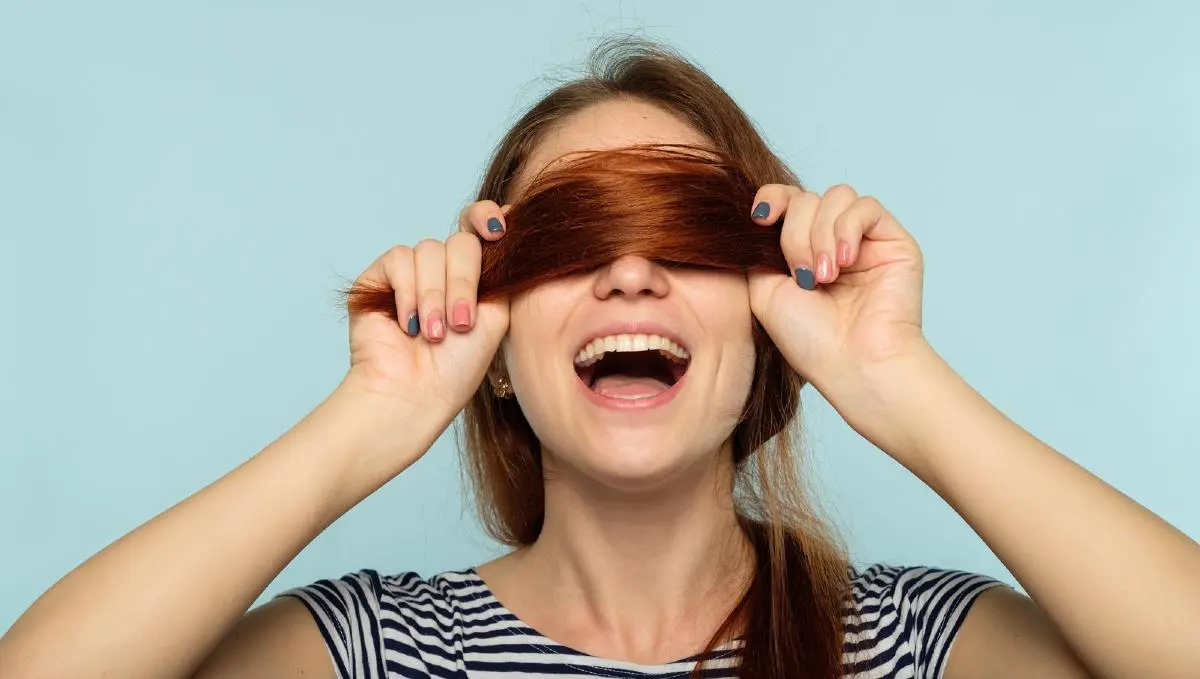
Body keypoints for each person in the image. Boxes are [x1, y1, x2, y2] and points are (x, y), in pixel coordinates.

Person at [1, 38, 1197, 679]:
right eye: (576, 244)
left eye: (681, 236)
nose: (629, 276)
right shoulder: (377, 653)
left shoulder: (910, 645)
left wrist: (900, 385)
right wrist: (368, 419)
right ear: (499, 348)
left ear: (769, 325)